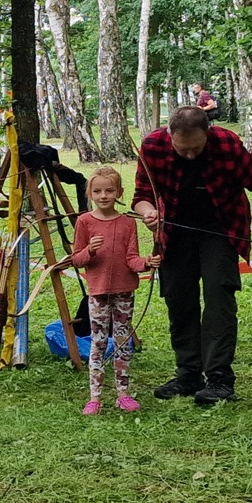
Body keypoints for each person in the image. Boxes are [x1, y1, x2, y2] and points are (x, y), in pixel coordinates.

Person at [132, 106, 252, 405]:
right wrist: (148, 212)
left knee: (219, 298)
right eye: (183, 149)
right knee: (180, 300)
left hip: (222, 229)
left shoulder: (227, 144)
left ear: (208, 132)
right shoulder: (152, 146)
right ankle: (188, 374)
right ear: (169, 135)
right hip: (175, 233)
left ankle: (219, 379)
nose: (190, 155)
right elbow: (141, 196)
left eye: (196, 147)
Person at [72, 167, 160, 415]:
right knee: (98, 342)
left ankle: (123, 394)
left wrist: (146, 262)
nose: (103, 196)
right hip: (98, 293)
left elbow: (131, 259)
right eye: (97, 191)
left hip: (124, 292)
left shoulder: (128, 223)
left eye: (109, 190)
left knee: (122, 342)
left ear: (119, 193)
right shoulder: (85, 222)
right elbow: (76, 259)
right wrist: (89, 249)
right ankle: (95, 397)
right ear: (89, 193)